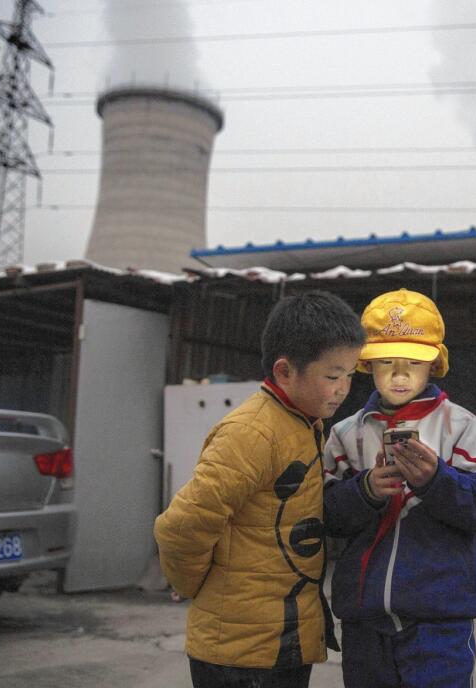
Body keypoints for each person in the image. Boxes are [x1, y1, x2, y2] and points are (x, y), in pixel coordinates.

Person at [154, 290, 365, 688]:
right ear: (285, 372)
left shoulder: (304, 423)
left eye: (350, 376)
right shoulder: (252, 433)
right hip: (238, 654)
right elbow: (180, 526)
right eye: (333, 377)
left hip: (280, 641)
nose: (344, 389)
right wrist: (194, 585)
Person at [323, 288, 476, 687]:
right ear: (367, 365)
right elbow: (324, 515)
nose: (399, 374)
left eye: (413, 362)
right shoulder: (345, 434)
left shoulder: (460, 426)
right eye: (386, 361)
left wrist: (435, 481)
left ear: (434, 365)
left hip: (439, 621)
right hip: (363, 621)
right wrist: (366, 490)